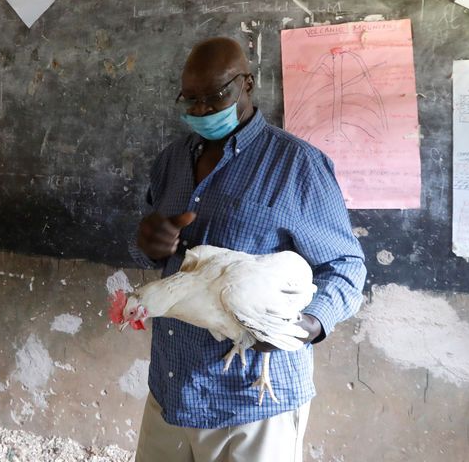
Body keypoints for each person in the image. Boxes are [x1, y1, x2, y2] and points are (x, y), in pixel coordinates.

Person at [132, 37, 367, 461]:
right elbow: (155, 250)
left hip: (252, 401)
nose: (202, 110)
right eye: (191, 100)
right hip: (171, 383)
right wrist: (149, 244)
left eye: (215, 96)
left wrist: (305, 327)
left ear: (248, 84)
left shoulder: (297, 165)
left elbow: (346, 266)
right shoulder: (170, 162)